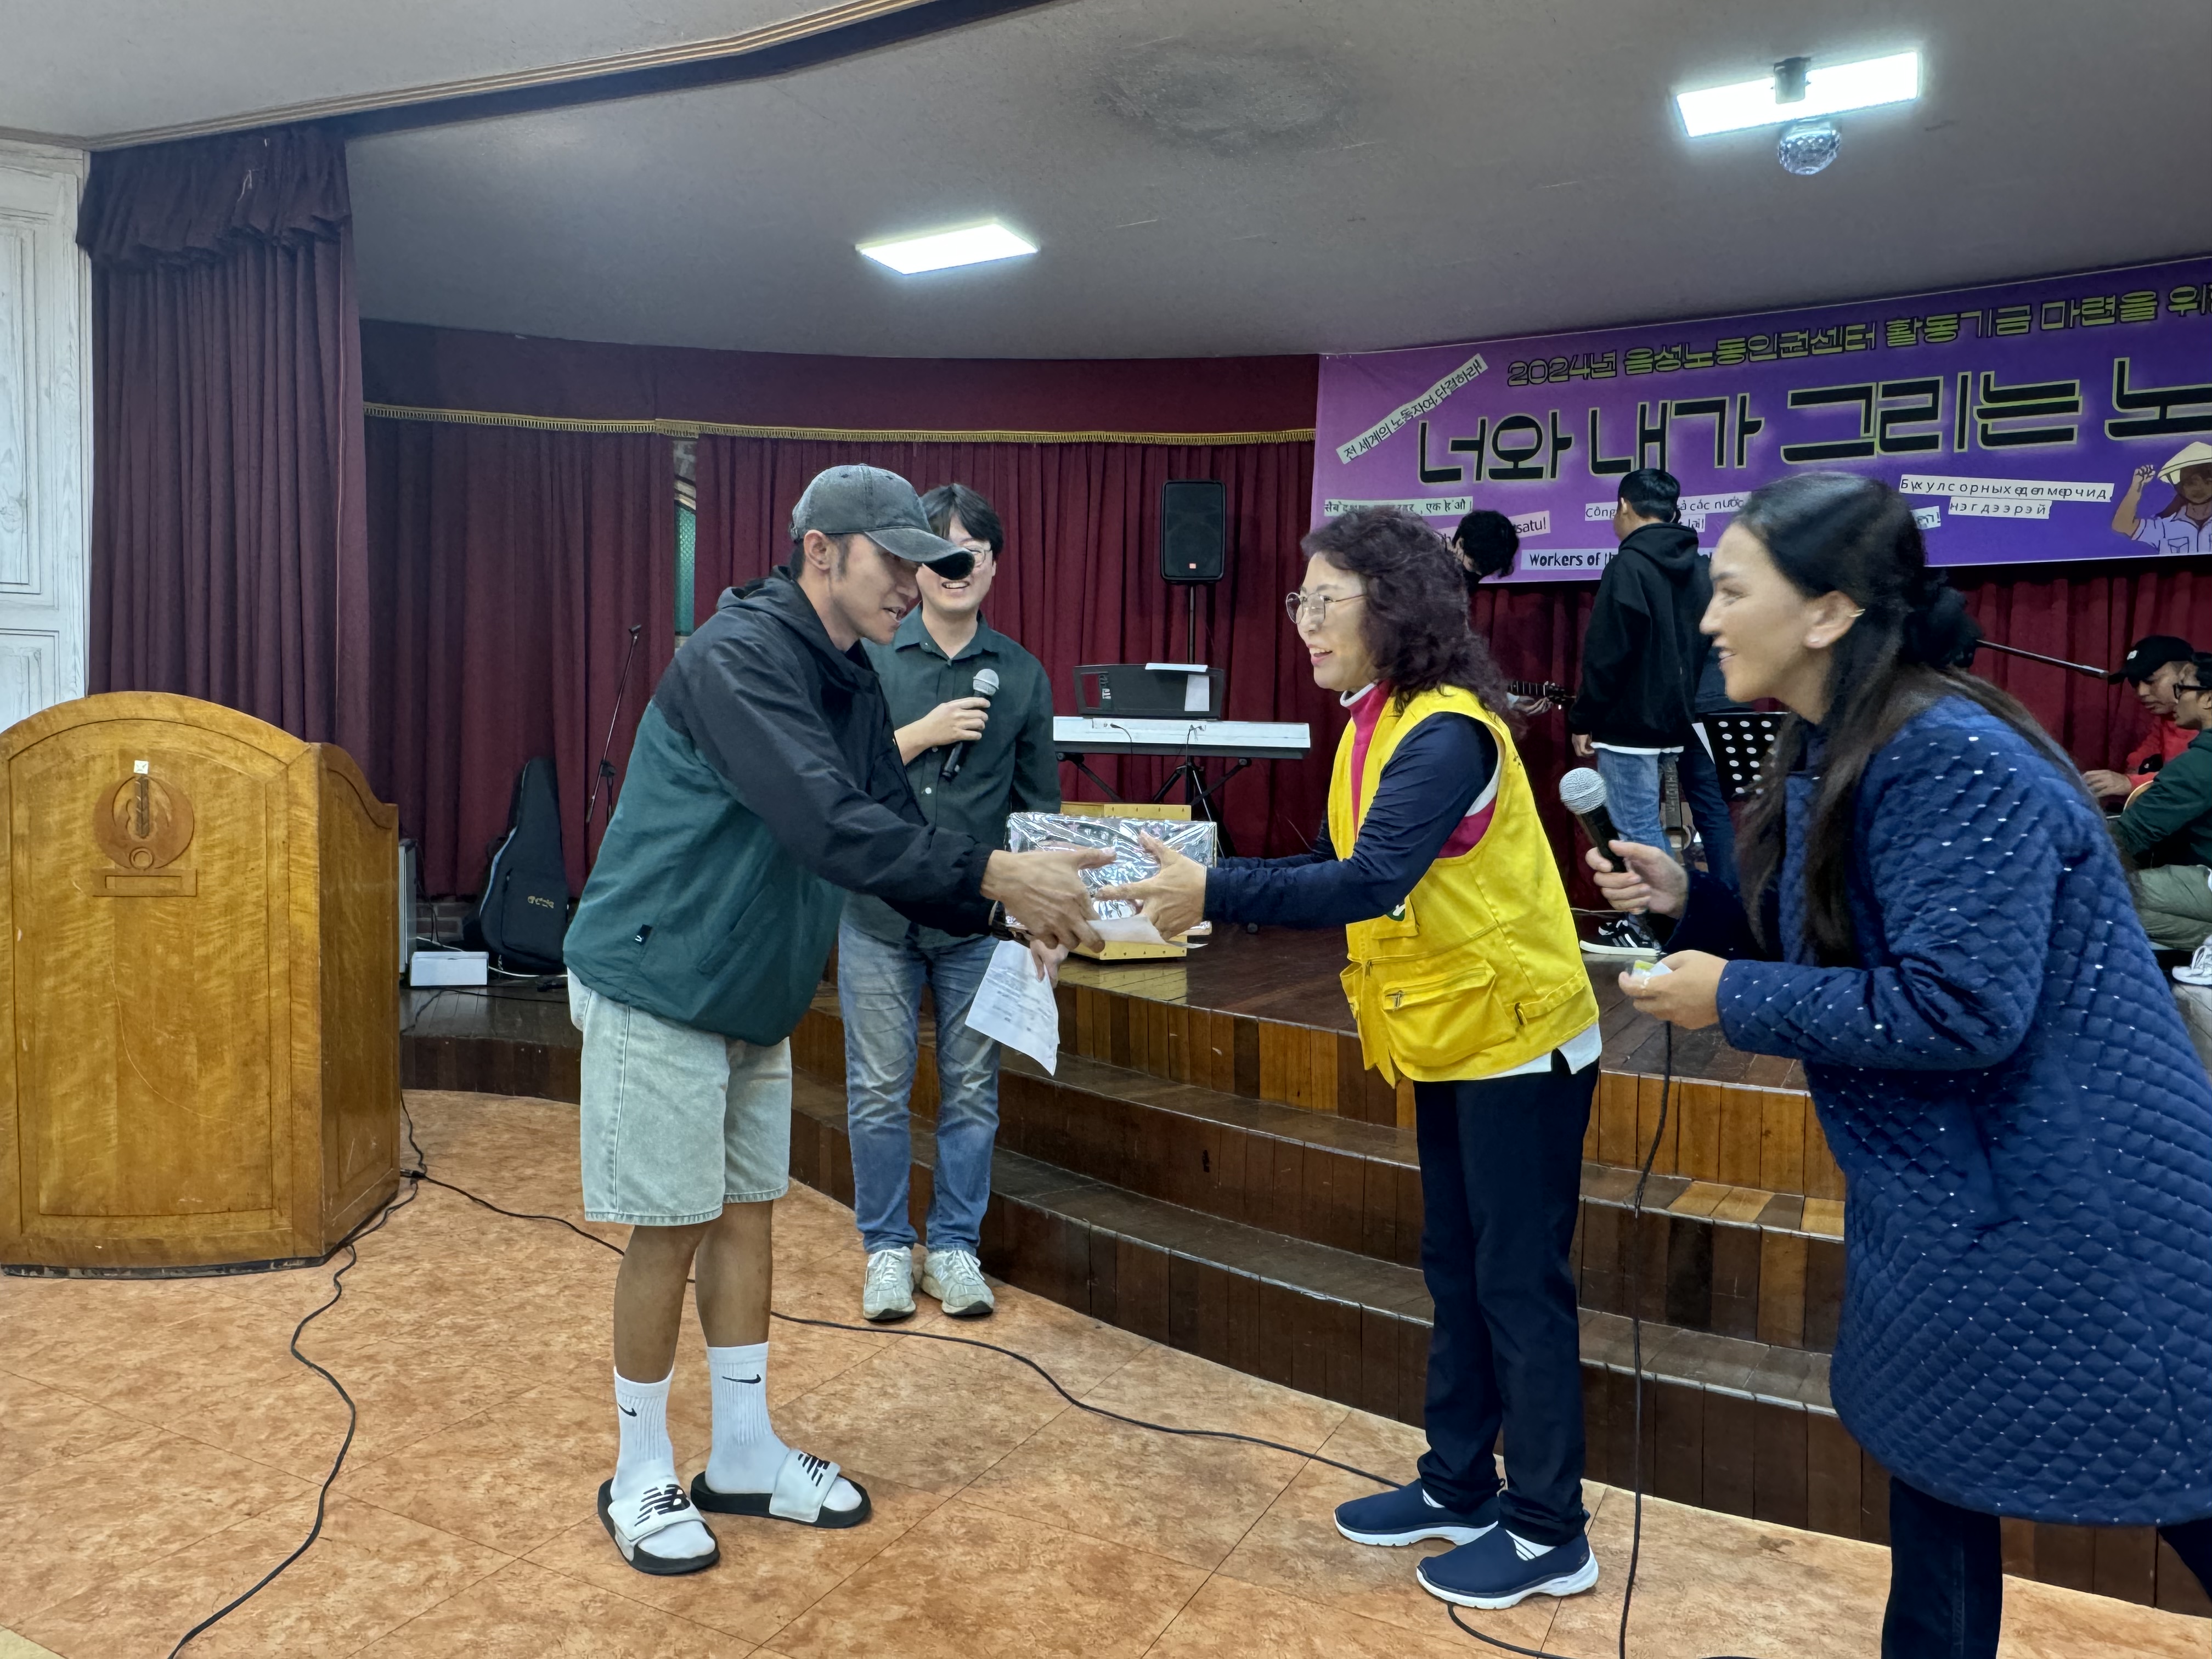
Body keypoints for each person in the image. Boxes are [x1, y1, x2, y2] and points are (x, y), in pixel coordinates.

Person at [1591, 470, 2212, 1659]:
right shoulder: (1852, 737)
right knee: (1934, 1488)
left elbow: (1960, 1006)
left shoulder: (1945, 752)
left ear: (1828, 610)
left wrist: (1731, 997)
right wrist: (1695, 904)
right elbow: (1855, 940)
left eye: (1732, 591)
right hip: (1958, 1205)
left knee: (2179, 1471)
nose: (1708, 618)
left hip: (2079, 1208)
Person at [560, 464, 1104, 1577]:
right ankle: (639, 1467)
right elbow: (825, 822)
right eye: (895, 559)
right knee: (670, 1224)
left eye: (925, 562)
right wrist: (1003, 876)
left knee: (746, 1214)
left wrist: (1011, 918)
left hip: (750, 984)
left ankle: (744, 1451)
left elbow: (895, 827)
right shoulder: (737, 658)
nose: (914, 581)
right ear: (821, 551)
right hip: (662, 978)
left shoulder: (848, 672)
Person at [1108, 507, 1604, 1614]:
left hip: (1521, 1042)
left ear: (1394, 604)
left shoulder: (1448, 732)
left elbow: (1372, 878)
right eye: (1302, 601)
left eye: (1323, 601)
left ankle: (1549, 1530)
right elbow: (1353, 865)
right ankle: (1459, 1486)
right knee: (1456, 1269)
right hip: (1453, 1037)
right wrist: (1216, 879)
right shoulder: (1378, 717)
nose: (1303, 623)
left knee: (1517, 1285)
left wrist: (1214, 886)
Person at [839, 482, 1059, 1323]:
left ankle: (957, 1248)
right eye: (941, 555)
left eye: (973, 554)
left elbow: (1037, 813)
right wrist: (924, 732)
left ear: (993, 566)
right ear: (915, 566)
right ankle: (888, 1250)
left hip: (977, 923)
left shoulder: (1022, 674)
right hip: (878, 915)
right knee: (877, 1090)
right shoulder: (872, 660)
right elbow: (836, 786)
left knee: (971, 1091)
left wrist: (1043, 918)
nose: (955, 570)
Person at [1567, 467, 1711, 957]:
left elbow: (1608, 653)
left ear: (1625, 506)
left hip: (1628, 721)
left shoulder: (1628, 565)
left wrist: (1584, 717)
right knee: (1648, 825)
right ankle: (1654, 921)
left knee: (1635, 831)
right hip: (1674, 718)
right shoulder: (1698, 567)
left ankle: (1652, 929)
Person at [2115, 651, 2212, 955]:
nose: (2176, 697)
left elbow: (2131, 835)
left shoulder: (2200, 764)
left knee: (2097, 893)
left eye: (2182, 689)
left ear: (2208, 699)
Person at [2083, 634, 2195, 801]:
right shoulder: (2166, 716)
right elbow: (2141, 760)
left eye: (2150, 681)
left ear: (2187, 674)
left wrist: (2130, 783)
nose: (2141, 692)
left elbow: (2196, 778)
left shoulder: (2205, 719)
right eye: (2135, 683)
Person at [2112, 442, 2212, 555]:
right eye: (2190, 482)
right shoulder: (2165, 527)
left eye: (2207, 480)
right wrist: (2136, 486)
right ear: (2181, 487)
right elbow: (2121, 525)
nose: (2199, 487)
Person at [1449, 507, 1519, 589]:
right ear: (1460, 544)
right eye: (1473, 566)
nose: (1480, 574)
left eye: (1487, 570)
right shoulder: (1441, 576)